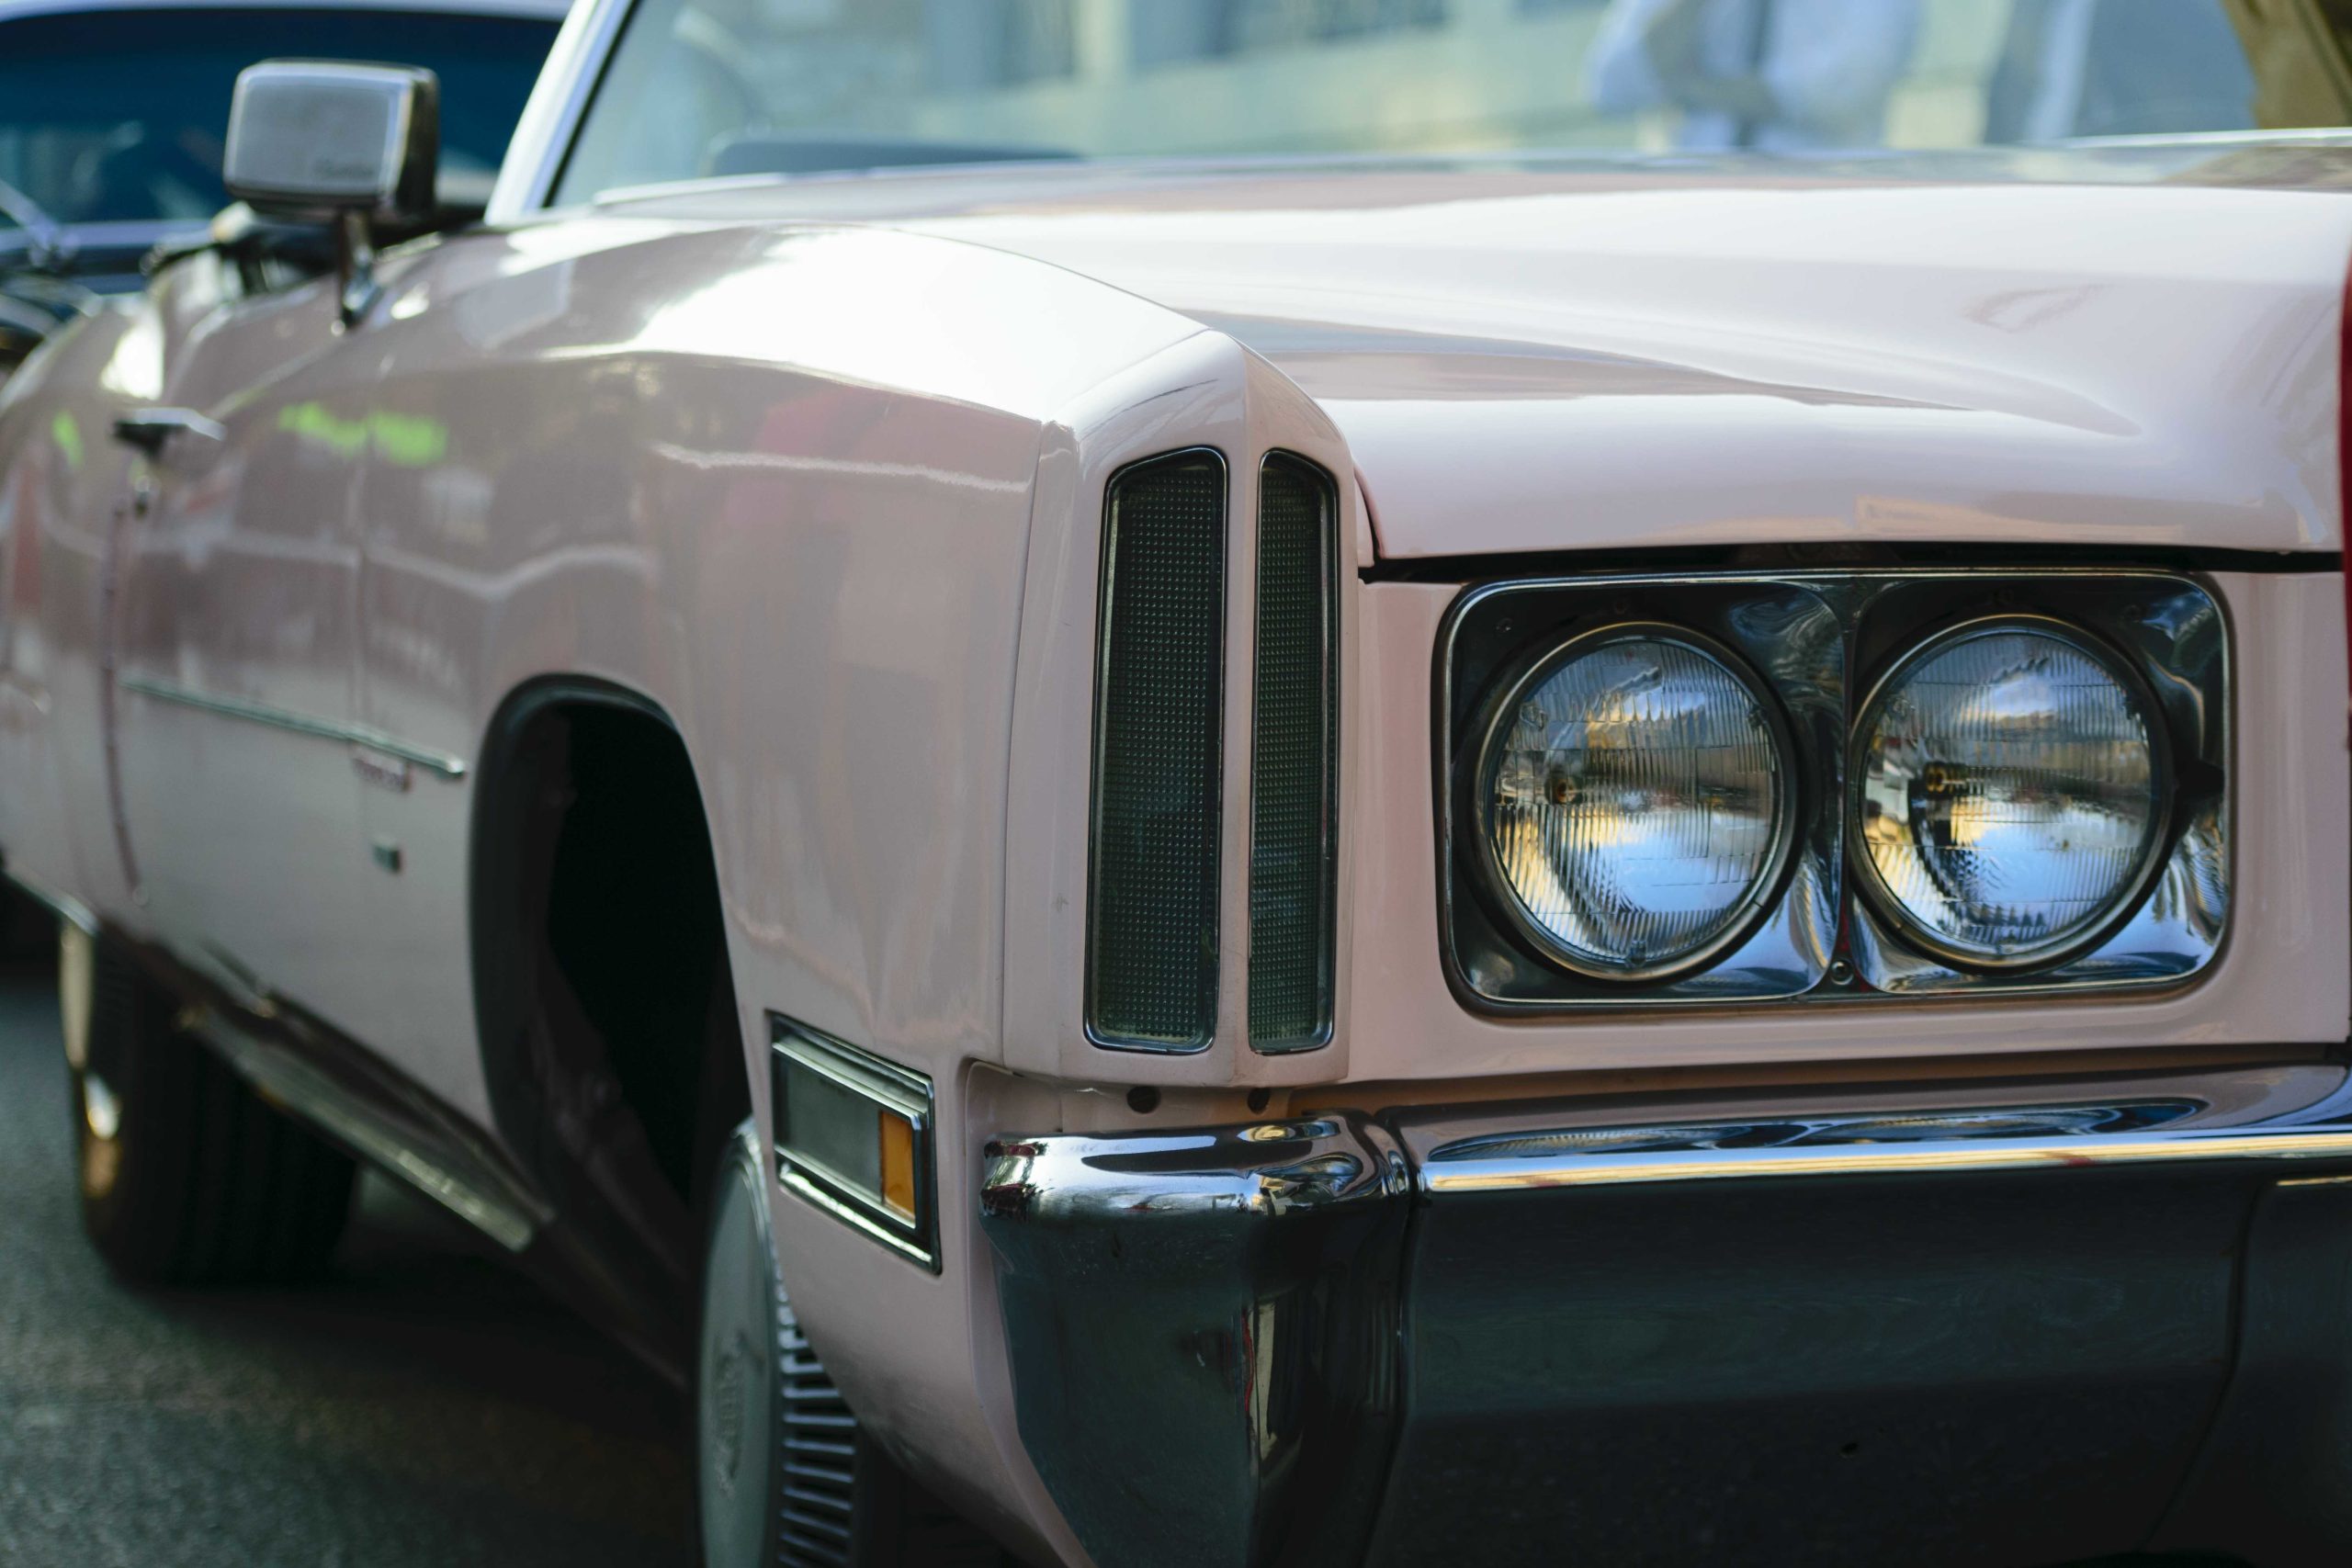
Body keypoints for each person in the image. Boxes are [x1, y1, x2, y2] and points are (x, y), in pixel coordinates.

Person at [1587, 0, 1922, 152]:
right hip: (1691, 213)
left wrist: (1690, 89)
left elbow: (1843, 93)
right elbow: (1612, 87)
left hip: (1818, 214)